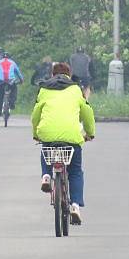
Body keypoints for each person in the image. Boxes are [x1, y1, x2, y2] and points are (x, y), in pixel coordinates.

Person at [31, 62, 95, 224]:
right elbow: (87, 112)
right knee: (75, 171)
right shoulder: (75, 90)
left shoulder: (44, 89)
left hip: (48, 134)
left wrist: (36, 134)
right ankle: (74, 205)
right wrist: (90, 133)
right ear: (69, 74)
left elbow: (35, 115)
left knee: (46, 149)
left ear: (52, 74)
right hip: (71, 136)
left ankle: (46, 175)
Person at [0, 51, 24, 117]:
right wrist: (21, 80)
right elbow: (18, 73)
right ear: (10, 57)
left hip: (1, 81)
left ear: (2, 57)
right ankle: (12, 103)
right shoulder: (13, 63)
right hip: (10, 81)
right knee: (14, 90)